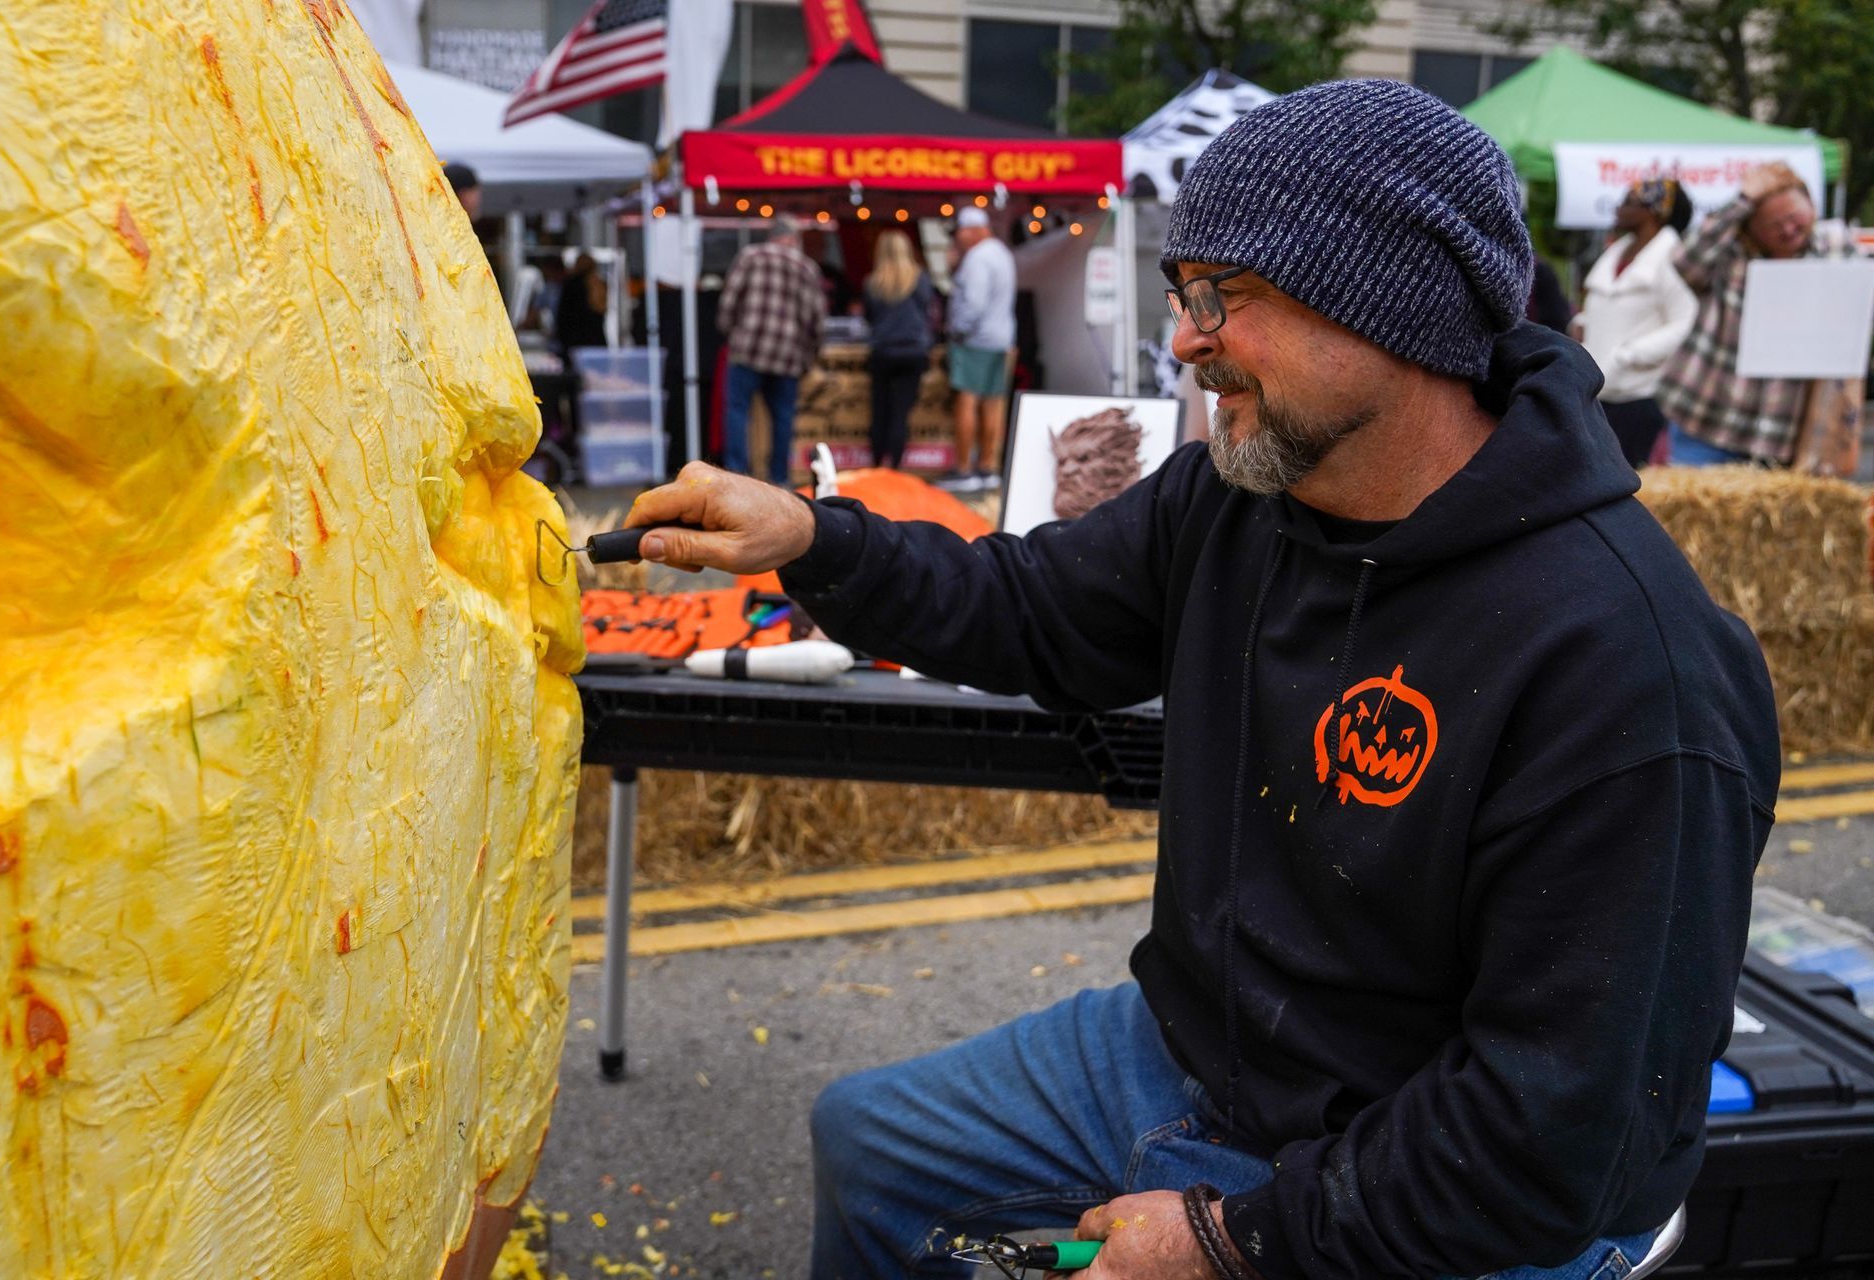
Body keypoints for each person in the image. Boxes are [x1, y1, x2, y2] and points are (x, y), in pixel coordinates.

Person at [625, 79, 1777, 1280]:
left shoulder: (1629, 668)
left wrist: (1231, 1239)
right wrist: (812, 537)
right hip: (1192, 1050)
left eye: (1231, 296)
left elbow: (1549, 1140)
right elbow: (1028, 608)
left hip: (1427, 1171)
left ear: (1390, 309)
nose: (1184, 338)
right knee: (870, 1140)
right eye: (1187, 294)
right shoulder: (1243, 494)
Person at [1657, 162, 1845, 467]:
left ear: (1811, 205)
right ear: (1752, 228)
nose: (1788, 230)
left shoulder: (1835, 247)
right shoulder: (1730, 254)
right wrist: (1742, 200)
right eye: (1774, 225)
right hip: (1707, 419)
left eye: (1794, 217)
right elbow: (1684, 261)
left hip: (1786, 433)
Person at [1572, 179, 1698, 467]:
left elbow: (1685, 325)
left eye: (1630, 201)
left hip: (1640, 396)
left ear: (1654, 212)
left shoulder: (1674, 258)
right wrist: (1582, 321)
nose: (1619, 207)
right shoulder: (1617, 252)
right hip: (1598, 394)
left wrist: (1630, 354)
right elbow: (1603, 306)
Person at [717, 214, 828, 483]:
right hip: (787, 356)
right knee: (782, 418)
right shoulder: (807, 267)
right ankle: (780, 478)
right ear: (794, 239)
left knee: (737, 412)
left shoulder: (750, 257)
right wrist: (810, 354)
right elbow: (817, 319)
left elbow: (728, 303)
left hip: (748, 348)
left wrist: (731, 332)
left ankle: (737, 475)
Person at [944, 206, 1017, 489]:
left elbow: (972, 303)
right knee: (993, 403)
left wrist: (956, 331)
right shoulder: (1001, 253)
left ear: (972, 230)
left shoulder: (977, 258)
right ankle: (987, 467)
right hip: (1000, 338)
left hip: (976, 340)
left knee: (968, 400)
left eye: (960, 231)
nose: (958, 238)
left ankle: (964, 470)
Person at [861, 230, 937, 469]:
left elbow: (869, 317)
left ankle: (876, 464)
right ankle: (893, 466)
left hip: (883, 351)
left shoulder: (873, 282)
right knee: (901, 413)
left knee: (880, 410)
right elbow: (929, 313)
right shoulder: (920, 279)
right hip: (912, 352)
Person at [554, 249, 609, 354]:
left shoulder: (571, 285)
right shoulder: (599, 284)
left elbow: (563, 316)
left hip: (575, 343)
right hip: (597, 342)